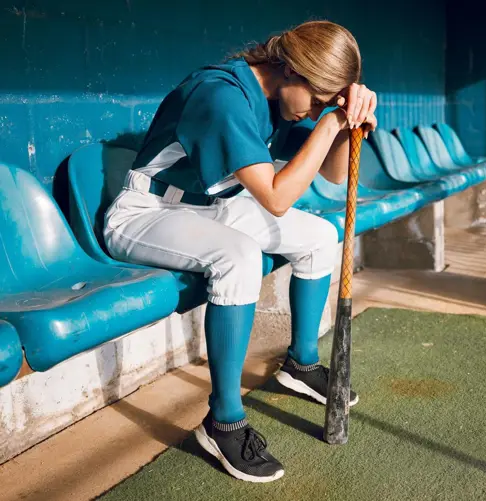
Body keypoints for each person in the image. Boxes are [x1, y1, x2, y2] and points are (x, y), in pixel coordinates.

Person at [102, 20, 378, 483]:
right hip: (145, 212)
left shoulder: (277, 99)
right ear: (289, 68)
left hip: (212, 209)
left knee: (316, 236)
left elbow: (330, 174)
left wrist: (350, 125)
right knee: (240, 256)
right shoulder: (221, 94)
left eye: (323, 104)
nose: (312, 112)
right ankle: (223, 420)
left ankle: (301, 363)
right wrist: (331, 120)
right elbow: (274, 197)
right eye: (314, 99)